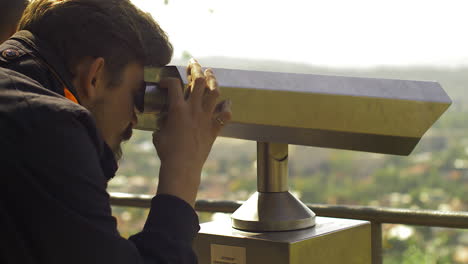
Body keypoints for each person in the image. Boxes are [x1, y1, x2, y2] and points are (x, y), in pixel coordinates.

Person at [0, 0, 231, 263]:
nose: (136, 118)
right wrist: (183, 171)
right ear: (95, 76)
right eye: (137, 96)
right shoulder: (47, 128)